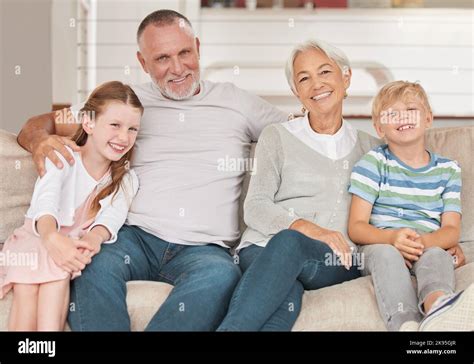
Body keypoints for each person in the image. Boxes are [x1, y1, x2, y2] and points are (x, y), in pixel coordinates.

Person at [16, 9, 288, 331]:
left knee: (223, 277)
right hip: (134, 238)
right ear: (143, 63)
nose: (177, 68)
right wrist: (40, 142)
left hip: (206, 250)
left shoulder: (237, 102)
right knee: (90, 264)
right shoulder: (126, 105)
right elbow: (39, 124)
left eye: (184, 53)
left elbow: (300, 134)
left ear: (197, 48)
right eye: (161, 58)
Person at [217, 40, 467, 331]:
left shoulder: (374, 151)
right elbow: (256, 207)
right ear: (296, 92)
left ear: (345, 78)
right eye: (304, 78)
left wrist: (445, 245)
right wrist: (311, 229)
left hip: (333, 260)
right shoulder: (276, 136)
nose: (316, 84)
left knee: (290, 248)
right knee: (285, 298)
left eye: (325, 72)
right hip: (263, 247)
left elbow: (403, 204)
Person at [0, 81, 142, 330]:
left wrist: (93, 240)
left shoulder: (127, 178)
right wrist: (52, 238)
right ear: (88, 123)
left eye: (132, 129)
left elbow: (111, 219)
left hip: (68, 248)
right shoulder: (63, 157)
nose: (124, 137)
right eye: (115, 125)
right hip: (37, 237)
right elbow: (45, 204)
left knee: (56, 280)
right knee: (27, 292)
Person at [347, 80, 473, 331]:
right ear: (379, 126)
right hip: (379, 245)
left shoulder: (448, 170)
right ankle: (405, 324)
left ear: (428, 118)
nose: (402, 117)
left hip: (425, 244)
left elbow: (451, 230)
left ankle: (438, 308)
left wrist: (419, 245)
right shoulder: (373, 163)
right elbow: (356, 227)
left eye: (411, 110)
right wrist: (393, 239)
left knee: (438, 254)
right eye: (391, 113)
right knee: (387, 254)